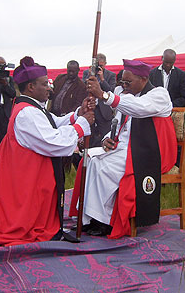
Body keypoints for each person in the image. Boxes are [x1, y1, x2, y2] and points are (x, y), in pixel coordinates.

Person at [0, 56, 95, 249]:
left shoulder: (32, 108)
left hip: (29, 173)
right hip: (26, 177)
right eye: (45, 84)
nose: (50, 88)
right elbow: (53, 141)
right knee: (17, 223)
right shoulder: (27, 113)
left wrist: (78, 114)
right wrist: (83, 124)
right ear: (31, 87)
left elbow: (52, 122)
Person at [70, 59, 177, 238]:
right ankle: (88, 218)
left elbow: (138, 109)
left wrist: (105, 95)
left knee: (105, 168)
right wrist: (106, 139)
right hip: (124, 146)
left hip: (148, 152)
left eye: (128, 82)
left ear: (143, 79)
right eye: (122, 82)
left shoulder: (159, 95)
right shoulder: (126, 95)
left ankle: (105, 221)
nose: (124, 86)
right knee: (90, 159)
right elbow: (117, 123)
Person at [82, 53, 117, 147]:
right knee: (89, 133)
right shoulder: (87, 73)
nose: (99, 68)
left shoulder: (111, 75)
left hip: (104, 110)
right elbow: (83, 88)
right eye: (98, 66)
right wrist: (89, 76)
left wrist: (102, 79)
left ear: (105, 63)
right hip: (90, 107)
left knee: (104, 134)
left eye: (101, 66)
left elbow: (111, 91)